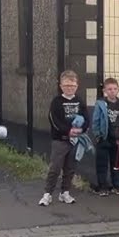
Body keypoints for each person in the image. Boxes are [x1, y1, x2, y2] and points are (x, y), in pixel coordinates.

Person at [40, 70, 86, 206]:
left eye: (72, 86)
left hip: (75, 140)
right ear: (61, 86)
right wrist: (68, 131)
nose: (69, 88)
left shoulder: (79, 101)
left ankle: (65, 192)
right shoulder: (57, 101)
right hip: (60, 140)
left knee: (70, 167)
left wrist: (81, 129)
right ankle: (47, 193)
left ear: (77, 86)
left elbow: (86, 118)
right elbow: (54, 120)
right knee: (55, 167)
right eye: (66, 85)